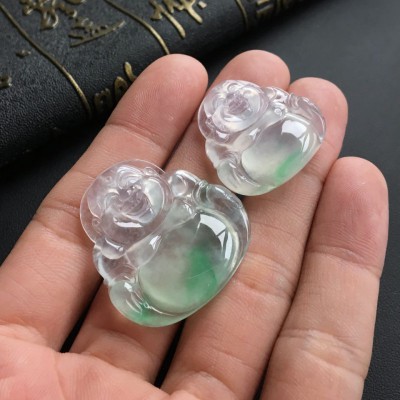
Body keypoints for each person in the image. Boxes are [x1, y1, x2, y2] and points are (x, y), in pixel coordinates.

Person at [0, 51, 388, 400]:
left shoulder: (189, 185)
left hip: (220, 224)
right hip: (169, 270)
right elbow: (123, 283)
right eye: (118, 206)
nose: (132, 201)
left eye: (134, 190)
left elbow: (221, 193)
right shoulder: (119, 256)